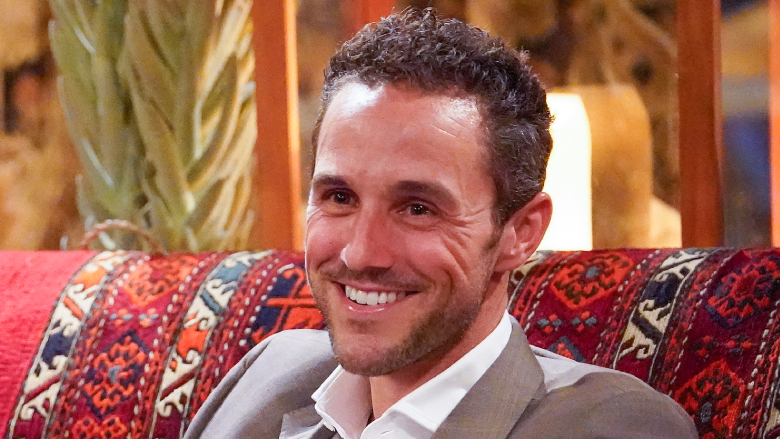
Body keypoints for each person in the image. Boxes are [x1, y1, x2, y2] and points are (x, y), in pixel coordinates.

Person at [184, 8, 697, 439]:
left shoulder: (610, 424)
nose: (361, 253)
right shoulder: (270, 372)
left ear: (520, 233)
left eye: (417, 208)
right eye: (340, 197)